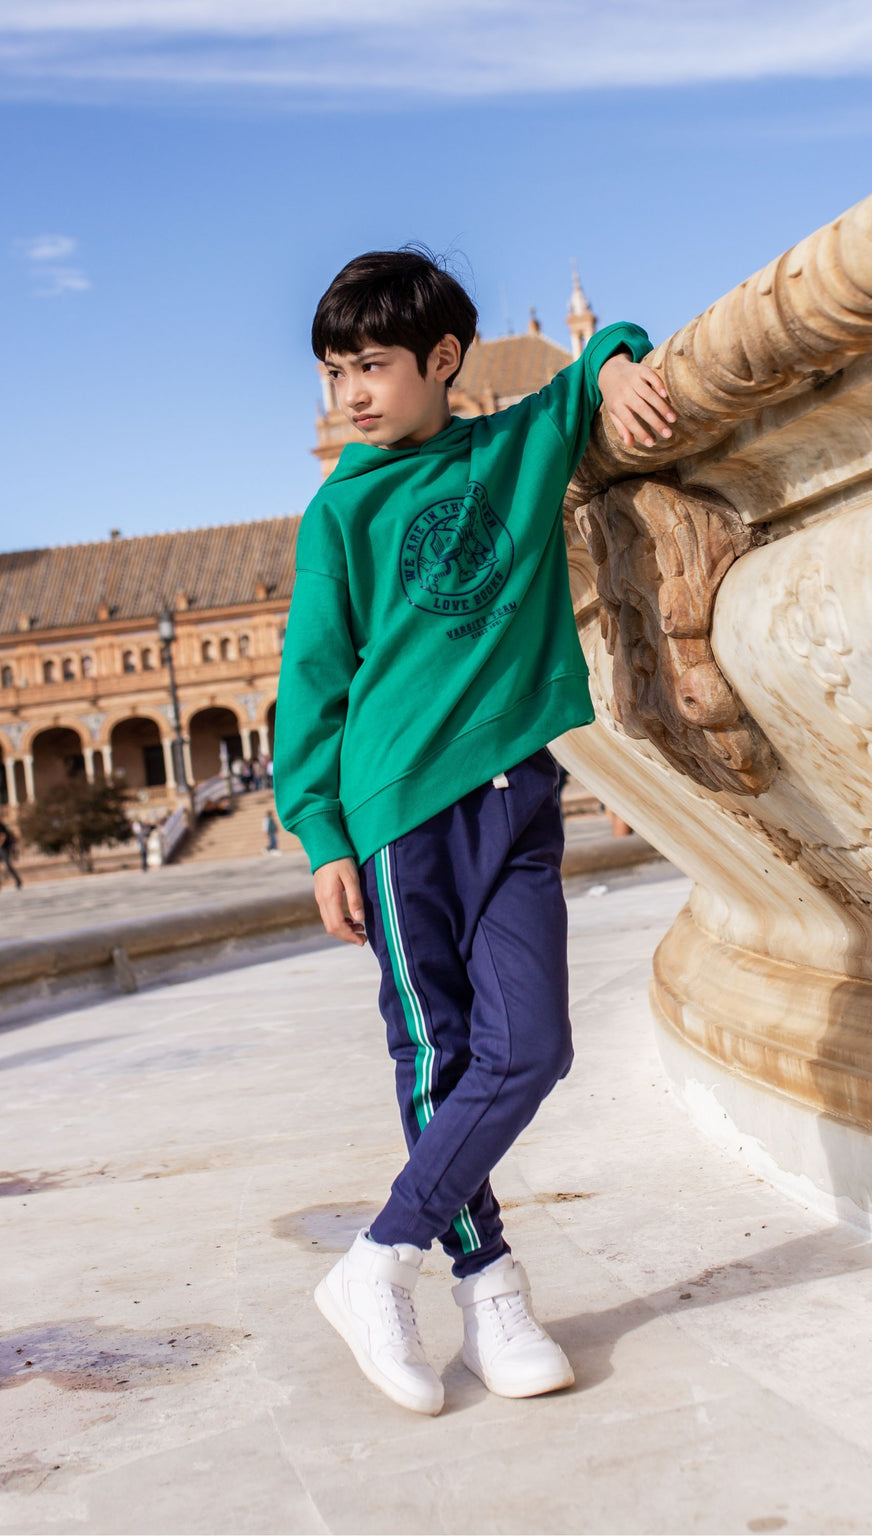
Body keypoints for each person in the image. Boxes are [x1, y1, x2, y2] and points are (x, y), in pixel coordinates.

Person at [273, 247, 672, 1417]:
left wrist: (613, 360)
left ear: (444, 361)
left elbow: (604, 354)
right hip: (398, 808)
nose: (349, 392)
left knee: (532, 1048)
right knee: (437, 1051)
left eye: (373, 366)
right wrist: (321, 833)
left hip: (517, 795)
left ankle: (376, 1260)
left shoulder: (515, 448)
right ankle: (489, 1285)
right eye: (334, 370)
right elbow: (314, 685)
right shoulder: (340, 510)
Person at [0, 816, 23, 889]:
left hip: (3, 848)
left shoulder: (0, 826)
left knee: (8, 865)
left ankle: (18, 880)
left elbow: (3, 836)